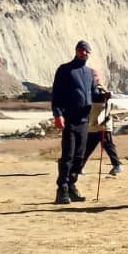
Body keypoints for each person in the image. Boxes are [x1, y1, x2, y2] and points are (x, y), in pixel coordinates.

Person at [51, 40, 96, 204]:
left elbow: (94, 93)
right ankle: (61, 189)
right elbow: (56, 94)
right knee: (68, 155)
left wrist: (103, 96)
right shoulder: (65, 70)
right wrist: (58, 114)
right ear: (77, 51)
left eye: (87, 51)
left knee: (79, 156)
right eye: (82, 50)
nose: (85, 54)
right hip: (69, 119)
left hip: (84, 120)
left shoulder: (89, 73)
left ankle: (72, 186)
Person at [83, 83, 123, 176]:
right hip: (100, 125)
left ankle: (117, 164)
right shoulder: (102, 90)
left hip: (98, 125)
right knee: (100, 146)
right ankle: (116, 164)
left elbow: (97, 97)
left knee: (100, 146)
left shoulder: (96, 91)